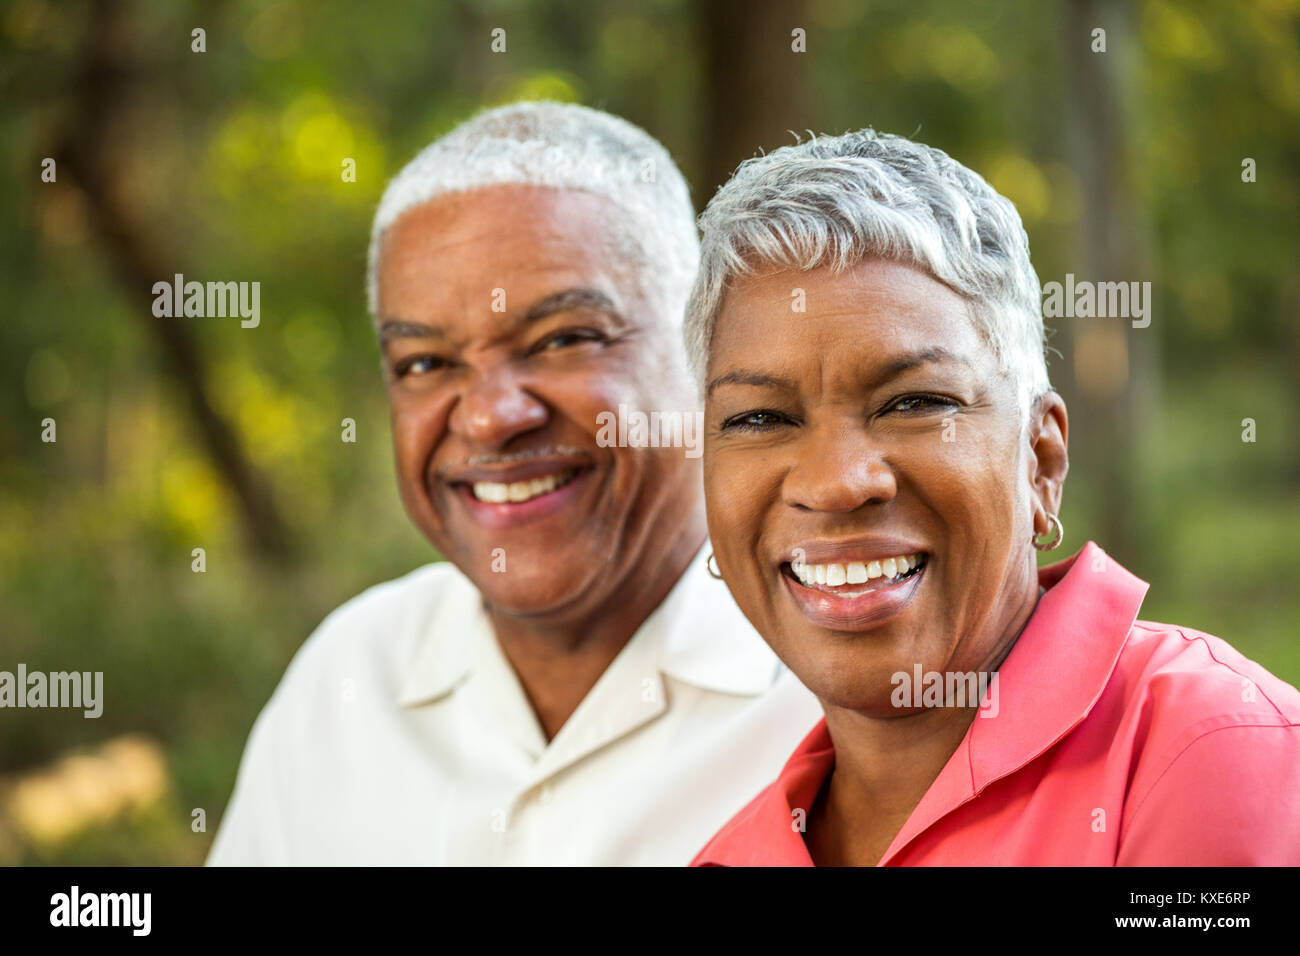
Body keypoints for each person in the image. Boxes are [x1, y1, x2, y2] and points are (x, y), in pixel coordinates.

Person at [207, 102, 820, 865]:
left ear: (705, 350)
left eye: (564, 339)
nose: (493, 417)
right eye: (425, 363)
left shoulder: (832, 684)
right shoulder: (350, 677)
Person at [684, 129, 1300, 866]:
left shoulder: (1209, 748)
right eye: (760, 418)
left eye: (914, 402)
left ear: (1041, 461)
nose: (837, 483)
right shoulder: (727, 856)